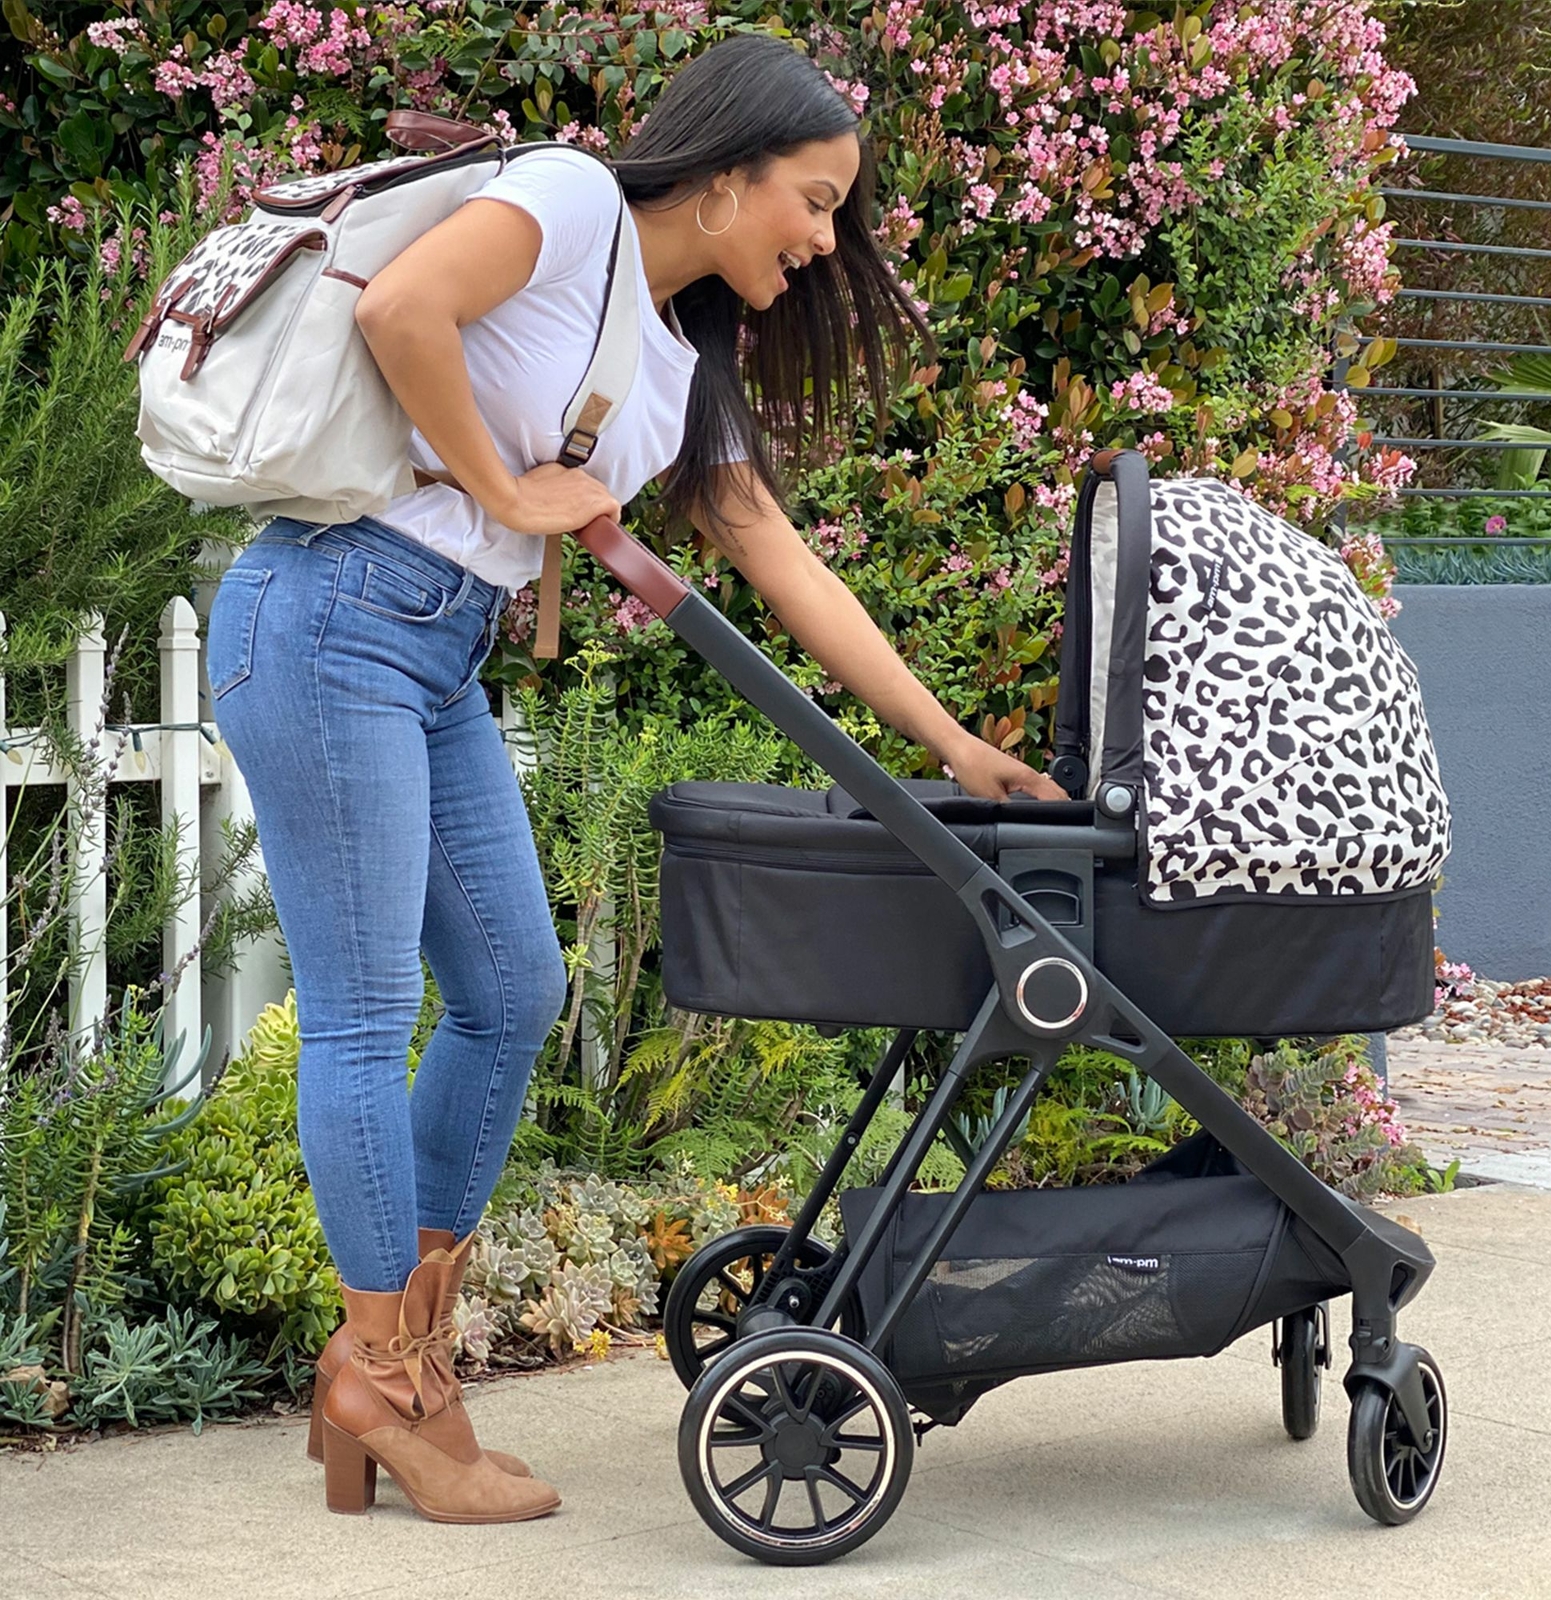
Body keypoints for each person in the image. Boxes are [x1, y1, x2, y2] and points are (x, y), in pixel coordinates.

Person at [204, 32, 1066, 1527]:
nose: (824, 241)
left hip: (435, 650)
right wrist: (503, 485)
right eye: (813, 201)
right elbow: (405, 309)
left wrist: (953, 743)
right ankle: (391, 1384)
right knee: (362, 1011)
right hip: (332, 613)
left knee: (513, 992)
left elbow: (771, 547)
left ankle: (385, 1367)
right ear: (725, 174)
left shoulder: (681, 353)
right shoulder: (570, 200)